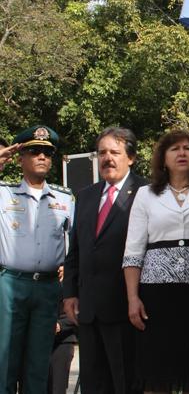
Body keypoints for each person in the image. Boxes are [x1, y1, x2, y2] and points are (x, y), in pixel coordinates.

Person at [122, 129, 189, 392]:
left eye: (187, 148)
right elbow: (133, 251)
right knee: (159, 368)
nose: (182, 153)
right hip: (158, 293)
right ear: (163, 157)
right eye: (174, 149)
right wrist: (133, 298)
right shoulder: (145, 194)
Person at [63, 127, 146, 394]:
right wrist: (70, 293)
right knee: (93, 385)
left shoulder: (146, 192)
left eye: (115, 152)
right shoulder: (86, 195)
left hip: (125, 309)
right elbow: (76, 249)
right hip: (88, 311)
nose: (107, 158)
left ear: (130, 158)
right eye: (102, 153)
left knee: (125, 384)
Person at [0, 125, 74, 394]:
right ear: (20, 158)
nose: (42, 156)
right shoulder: (4, 193)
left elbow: (74, 243)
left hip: (47, 288)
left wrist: (69, 265)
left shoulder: (65, 199)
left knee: (38, 367)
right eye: (34, 151)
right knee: (5, 363)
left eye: (47, 152)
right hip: (10, 284)